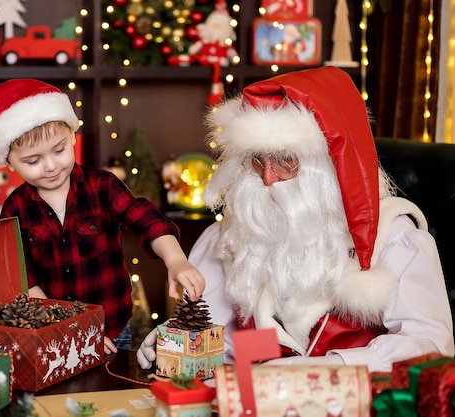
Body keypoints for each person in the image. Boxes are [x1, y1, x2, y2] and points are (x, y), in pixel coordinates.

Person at [137, 66, 454, 372]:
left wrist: (335, 366)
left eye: (285, 161)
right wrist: (181, 345)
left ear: (331, 167)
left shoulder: (396, 240)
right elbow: (229, 345)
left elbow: (431, 346)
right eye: (257, 161)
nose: (268, 179)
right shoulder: (231, 239)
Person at [0, 79, 206, 354]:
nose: (50, 166)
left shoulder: (102, 186)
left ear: (73, 135)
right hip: (54, 336)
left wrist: (176, 259)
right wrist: (68, 332)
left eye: (59, 150)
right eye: (33, 161)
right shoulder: (15, 208)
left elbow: (146, 219)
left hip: (113, 331)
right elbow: (25, 279)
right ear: (9, 162)